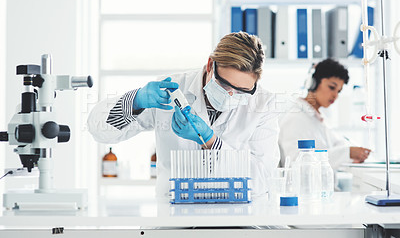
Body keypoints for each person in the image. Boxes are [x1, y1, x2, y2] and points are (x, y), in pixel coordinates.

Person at [88, 32, 280, 197]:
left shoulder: (263, 104)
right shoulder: (171, 89)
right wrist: (135, 101)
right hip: (175, 218)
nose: (231, 95)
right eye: (224, 85)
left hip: (238, 220)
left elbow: (263, 180)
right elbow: (99, 130)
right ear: (209, 65)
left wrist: (210, 140)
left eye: (242, 91)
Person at [278, 58, 371, 170]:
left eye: (339, 91)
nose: (335, 95)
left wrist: (354, 152)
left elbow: (338, 144)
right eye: (332, 87)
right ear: (314, 83)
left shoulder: (319, 119)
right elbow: (296, 161)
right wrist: (347, 153)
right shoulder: (295, 118)